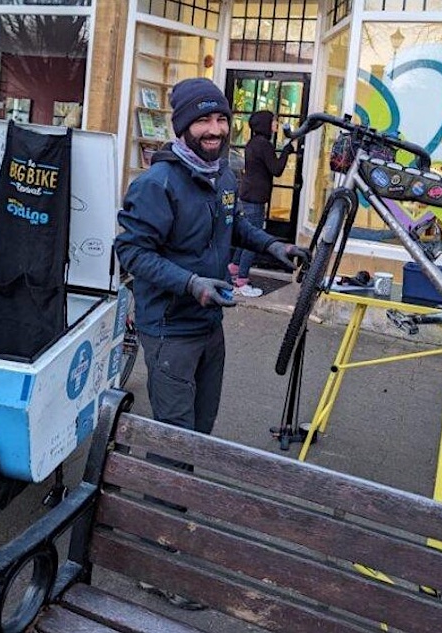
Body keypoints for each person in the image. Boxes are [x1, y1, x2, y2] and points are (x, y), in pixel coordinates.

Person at [115, 77, 308, 608]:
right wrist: (191, 284)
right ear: (182, 126)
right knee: (175, 444)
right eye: (203, 120)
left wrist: (273, 244)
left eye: (221, 119)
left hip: (208, 327)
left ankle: (174, 537)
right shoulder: (157, 184)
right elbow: (130, 253)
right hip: (171, 329)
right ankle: (157, 561)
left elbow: (232, 229)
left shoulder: (222, 175)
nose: (215, 129)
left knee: (199, 436)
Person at [228, 110, 296, 297]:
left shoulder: (252, 143)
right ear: (265, 124)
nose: (276, 124)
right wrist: (286, 152)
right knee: (254, 240)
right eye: (274, 121)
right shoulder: (264, 145)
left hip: (248, 194)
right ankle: (242, 281)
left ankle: (233, 268)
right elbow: (276, 169)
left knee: (246, 234)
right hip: (256, 197)